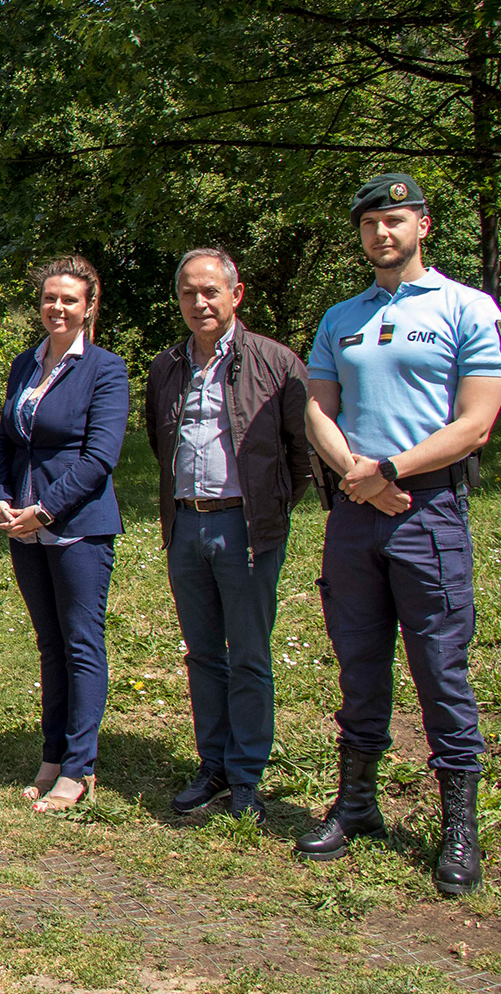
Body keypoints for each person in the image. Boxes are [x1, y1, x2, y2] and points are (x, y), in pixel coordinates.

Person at [297, 173, 501, 896]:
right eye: (370, 223)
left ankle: (458, 827)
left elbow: (476, 421)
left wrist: (389, 470)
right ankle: (356, 804)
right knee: (358, 664)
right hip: (356, 515)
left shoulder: (466, 308)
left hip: (428, 511)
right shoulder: (340, 317)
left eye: (395, 219)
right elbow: (318, 408)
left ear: (424, 225)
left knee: (441, 670)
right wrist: (358, 473)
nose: (382, 233)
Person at [145, 249, 312, 822]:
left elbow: (302, 451)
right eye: (189, 292)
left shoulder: (276, 362)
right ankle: (212, 765)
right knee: (202, 655)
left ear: (235, 295)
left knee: (248, 655)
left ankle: (246, 777)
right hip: (186, 524)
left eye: (210, 291)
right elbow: (156, 441)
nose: (199, 302)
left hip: (246, 526)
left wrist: (267, 509)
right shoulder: (166, 366)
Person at [0, 256, 129, 813]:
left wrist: (44, 511)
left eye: (70, 299)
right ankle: (52, 754)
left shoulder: (105, 369)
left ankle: (79, 767)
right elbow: (6, 440)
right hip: (22, 525)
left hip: (77, 527)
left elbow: (100, 457)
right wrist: (1, 497)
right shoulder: (24, 364)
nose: (58, 308)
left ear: (89, 307)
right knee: (50, 645)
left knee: (81, 643)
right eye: (50, 298)